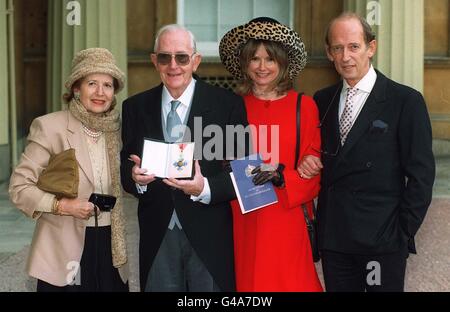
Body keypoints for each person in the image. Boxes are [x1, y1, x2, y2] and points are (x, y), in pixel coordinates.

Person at [298, 12, 435, 291]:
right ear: (329, 53)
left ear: (371, 48)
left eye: (354, 46)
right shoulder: (322, 100)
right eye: (337, 48)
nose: (346, 56)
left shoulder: (405, 101)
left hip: (381, 241)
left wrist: (402, 232)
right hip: (335, 239)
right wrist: (307, 160)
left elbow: (421, 175)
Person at [120, 24, 249, 292]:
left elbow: (245, 172)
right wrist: (135, 179)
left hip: (209, 233)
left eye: (182, 57)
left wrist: (205, 188)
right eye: (164, 57)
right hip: (158, 233)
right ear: (155, 61)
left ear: (195, 60)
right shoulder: (135, 107)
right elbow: (124, 167)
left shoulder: (228, 105)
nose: (173, 65)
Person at [9, 48, 129, 292]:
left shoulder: (117, 131)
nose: (100, 92)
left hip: (111, 248)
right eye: (92, 83)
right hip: (64, 249)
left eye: (107, 85)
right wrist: (62, 205)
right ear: (76, 88)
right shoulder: (50, 126)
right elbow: (19, 188)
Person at [219, 17, 323, 291]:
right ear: (244, 63)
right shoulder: (231, 107)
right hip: (245, 220)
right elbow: (218, 163)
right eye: (255, 58)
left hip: (288, 219)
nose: (262, 67)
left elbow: (313, 173)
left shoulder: (305, 107)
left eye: (270, 59)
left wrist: (281, 177)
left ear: (283, 64)